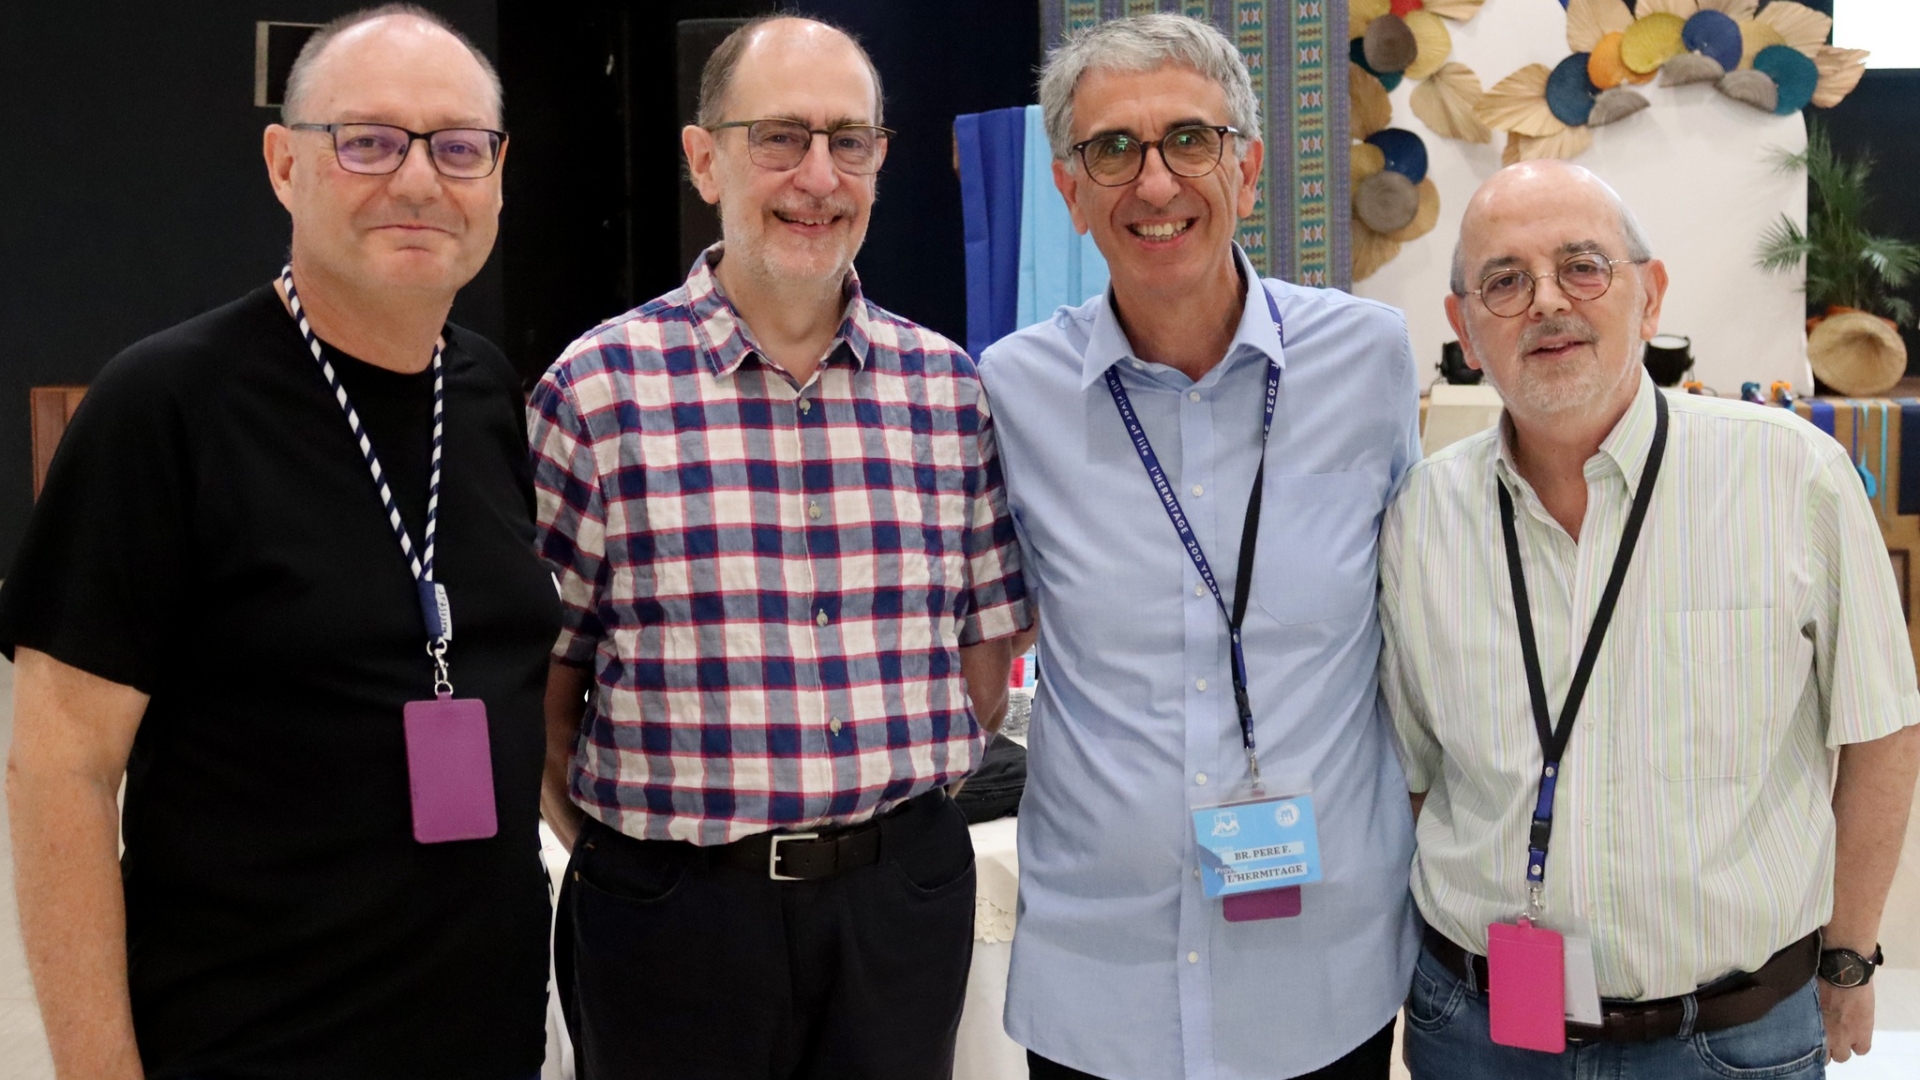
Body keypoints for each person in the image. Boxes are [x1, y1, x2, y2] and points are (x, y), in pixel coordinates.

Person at [0, 6, 558, 1080]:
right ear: (284, 164)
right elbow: (62, 770)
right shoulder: (164, 408)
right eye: (369, 141)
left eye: (457, 147)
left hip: (482, 1038)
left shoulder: (487, 391)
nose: (417, 180)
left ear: (497, 176)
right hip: (252, 1040)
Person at [528, 15, 1030, 1080]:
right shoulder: (595, 392)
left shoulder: (948, 392)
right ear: (703, 158)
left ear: (881, 162)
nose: (819, 176)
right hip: (672, 920)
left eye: (850, 140)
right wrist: (653, 862)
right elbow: (546, 687)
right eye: (780, 138)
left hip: (897, 908)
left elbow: (984, 665)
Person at [1381, 159, 1920, 1078]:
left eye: (1582, 266)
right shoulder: (1422, 515)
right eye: (1504, 281)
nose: (1547, 301)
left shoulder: (1793, 478)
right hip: (1479, 1030)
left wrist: (1848, 956)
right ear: (1465, 328)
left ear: (1651, 294)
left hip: (1730, 1038)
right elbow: (1417, 773)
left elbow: (1880, 731)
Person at [976, 14, 1421, 1080]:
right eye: (1112, 149)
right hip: (1099, 983)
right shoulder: (1012, 390)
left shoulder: (1367, 360)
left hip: (1321, 979)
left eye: (1190, 139)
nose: (1155, 181)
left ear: (1247, 169)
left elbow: (1422, 623)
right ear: (1070, 192)